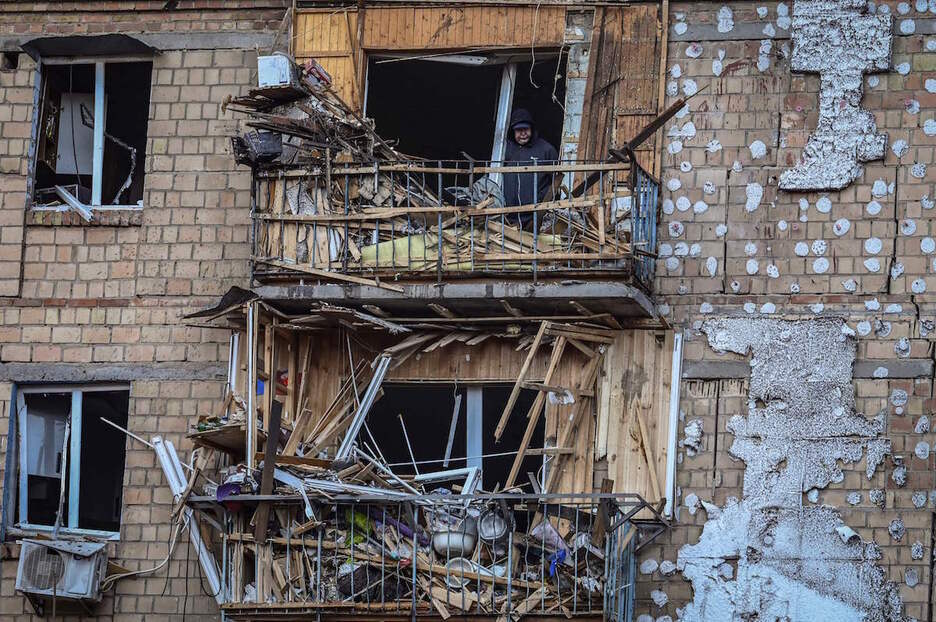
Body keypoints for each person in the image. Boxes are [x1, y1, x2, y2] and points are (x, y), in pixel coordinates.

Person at [501, 108, 558, 226]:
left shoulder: (546, 150)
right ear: (512, 131)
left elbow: (555, 182)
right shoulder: (504, 150)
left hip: (535, 216)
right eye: (518, 130)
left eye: (525, 129)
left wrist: (540, 201)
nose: (523, 133)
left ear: (532, 129)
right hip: (506, 215)